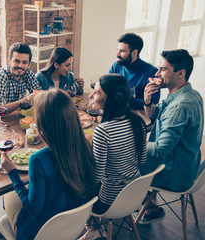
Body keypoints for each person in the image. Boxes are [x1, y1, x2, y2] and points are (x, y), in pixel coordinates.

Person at [0, 89, 95, 240]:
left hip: (41, 233)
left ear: (42, 123)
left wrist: (12, 173)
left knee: (8, 196)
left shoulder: (38, 159)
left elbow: (34, 210)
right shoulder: (85, 145)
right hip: (74, 226)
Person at [137, 49, 204, 224]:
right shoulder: (192, 94)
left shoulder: (180, 106)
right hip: (188, 166)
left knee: (122, 161)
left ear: (181, 73)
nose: (157, 74)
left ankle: (148, 208)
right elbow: (155, 115)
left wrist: (135, 143)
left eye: (163, 70)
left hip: (173, 175)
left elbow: (159, 150)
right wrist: (147, 100)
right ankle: (146, 204)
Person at [80, 74, 147, 239]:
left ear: (110, 98)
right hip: (135, 194)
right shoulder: (138, 122)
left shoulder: (104, 131)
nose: (90, 95)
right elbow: (142, 160)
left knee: (77, 186)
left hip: (109, 201)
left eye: (96, 92)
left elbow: (97, 176)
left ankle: (93, 228)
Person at [109, 32, 160, 110]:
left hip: (139, 116)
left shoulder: (152, 73)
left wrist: (124, 97)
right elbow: (107, 89)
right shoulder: (116, 65)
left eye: (122, 51)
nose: (117, 54)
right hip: (117, 111)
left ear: (135, 53)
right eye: (118, 50)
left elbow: (152, 105)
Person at [0, 42, 41, 114]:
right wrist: (24, 100)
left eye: (24, 62)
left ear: (29, 64)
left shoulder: (27, 73)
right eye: (17, 61)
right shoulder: (1, 76)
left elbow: (38, 94)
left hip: (16, 116)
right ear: (9, 61)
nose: (20, 66)